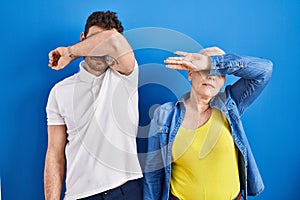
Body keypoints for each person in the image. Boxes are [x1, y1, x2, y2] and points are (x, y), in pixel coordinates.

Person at [142, 47, 273, 200]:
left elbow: (265, 70)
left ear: (223, 81)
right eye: (204, 70)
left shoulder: (230, 105)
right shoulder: (164, 115)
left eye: (218, 72)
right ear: (190, 73)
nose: (212, 76)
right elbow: (153, 174)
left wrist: (211, 63)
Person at [44, 11, 143, 200]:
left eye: (103, 46)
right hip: (79, 195)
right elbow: (54, 154)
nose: (99, 51)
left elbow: (113, 39)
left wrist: (70, 52)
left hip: (124, 191)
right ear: (83, 38)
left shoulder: (126, 76)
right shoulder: (59, 91)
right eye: (94, 41)